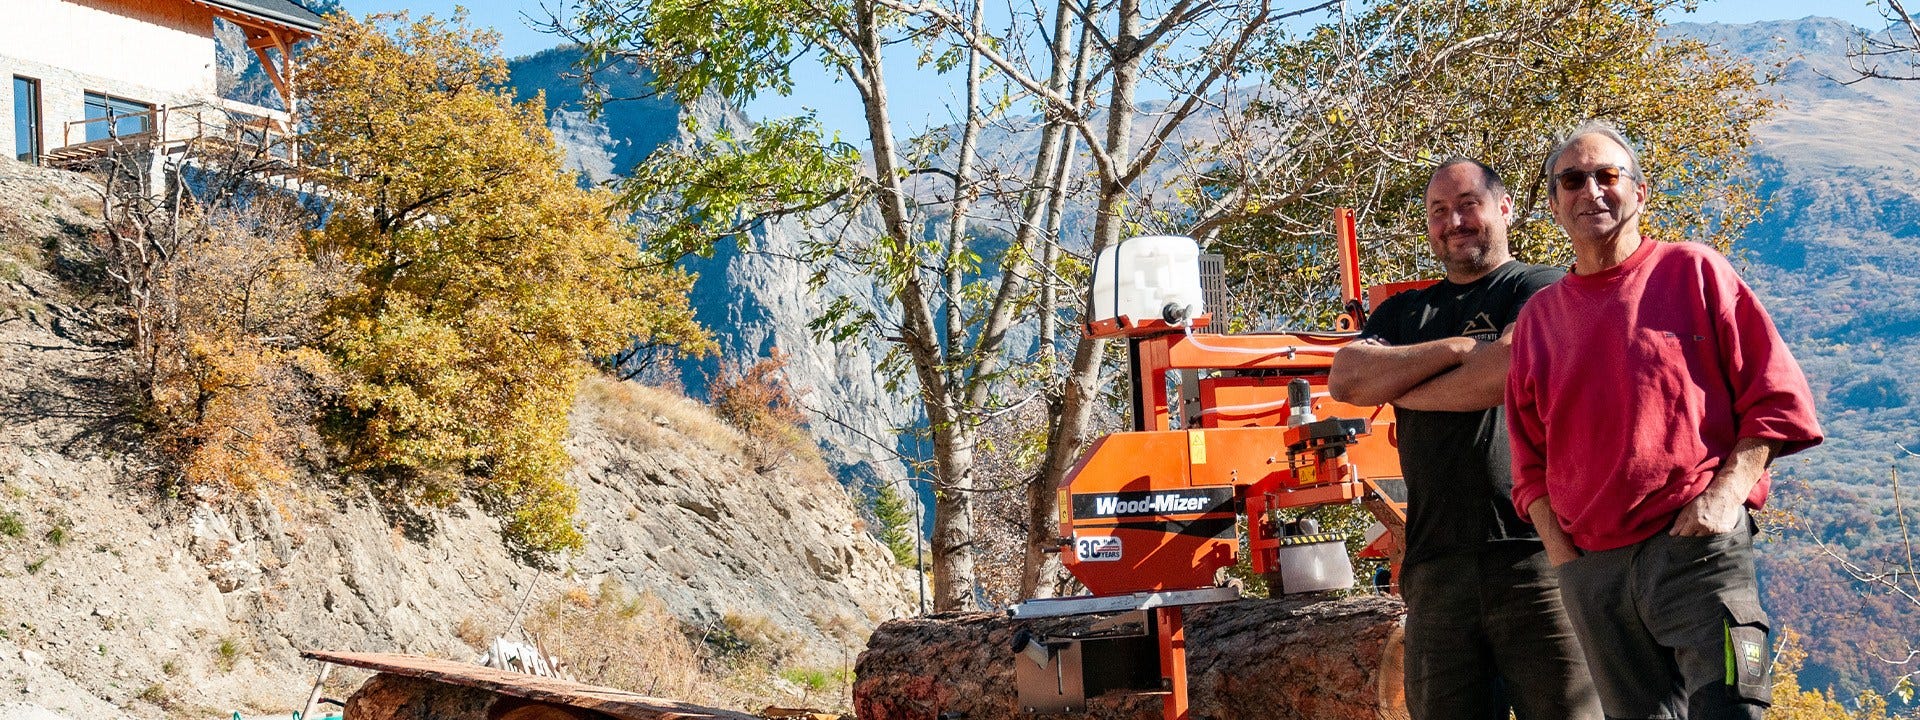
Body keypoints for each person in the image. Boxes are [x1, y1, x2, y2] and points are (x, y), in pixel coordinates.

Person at [1505, 121, 1824, 720]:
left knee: (1738, 698)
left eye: (1607, 176)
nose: (1591, 192)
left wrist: (1723, 498)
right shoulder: (1539, 320)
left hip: (1698, 550)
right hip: (1593, 572)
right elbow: (1527, 459)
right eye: (1572, 180)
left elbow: (1777, 398)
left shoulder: (1695, 272)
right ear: (1553, 203)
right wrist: (1564, 556)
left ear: (1640, 192)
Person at [1329, 157, 1600, 720]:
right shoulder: (1405, 310)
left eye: (1468, 204)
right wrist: (1454, 349)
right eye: (1439, 211)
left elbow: (1506, 367)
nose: (1455, 221)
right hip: (1435, 572)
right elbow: (1349, 378)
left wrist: (1407, 386)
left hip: (1538, 558)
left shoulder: (1543, 287)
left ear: (1504, 209)